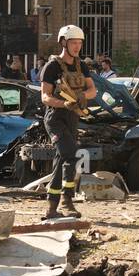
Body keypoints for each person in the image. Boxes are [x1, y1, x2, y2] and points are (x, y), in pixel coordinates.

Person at [39, 26, 95, 220]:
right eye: (73, 43)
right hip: (55, 118)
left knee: (62, 158)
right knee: (71, 155)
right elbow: (45, 97)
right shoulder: (52, 66)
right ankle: (67, 201)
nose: (77, 47)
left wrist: (81, 96)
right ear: (64, 42)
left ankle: (51, 207)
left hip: (73, 117)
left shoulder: (82, 65)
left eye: (79, 43)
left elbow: (92, 90)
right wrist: (64, 103)